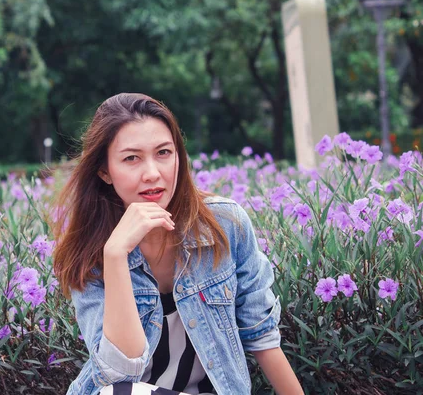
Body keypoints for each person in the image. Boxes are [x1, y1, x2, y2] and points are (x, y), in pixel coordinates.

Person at [52, 93, 303, 395]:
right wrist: (116, 255)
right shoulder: (90, 252)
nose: (153, 173)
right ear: (104, 171)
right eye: (131, 158)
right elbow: (119, 374)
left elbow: (261, 336)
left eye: (163, 153)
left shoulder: (225, 225)